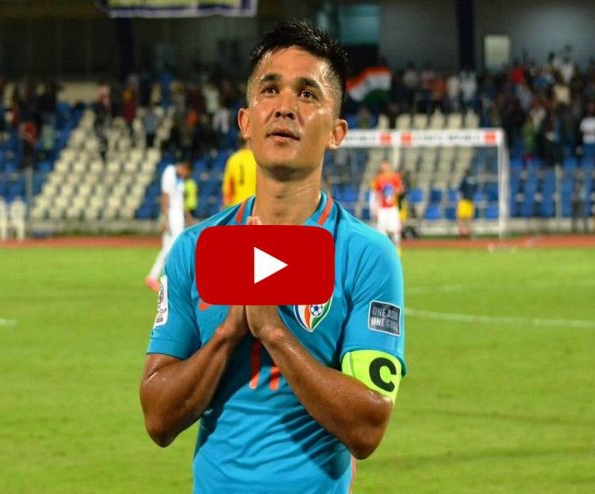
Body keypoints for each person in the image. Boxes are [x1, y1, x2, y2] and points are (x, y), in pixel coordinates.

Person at [140, 21, 406, 493]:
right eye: (270, 89)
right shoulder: (195, 249)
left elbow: (368, 426)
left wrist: (274, 332)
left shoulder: (367, 255)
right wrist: (227, 334)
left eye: (307, 94)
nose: (285, 106)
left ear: (337, 132)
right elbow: (157, 419)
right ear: (246, 121)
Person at [145, 160, 192, 292]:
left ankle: (156, 277)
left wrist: (189, 219)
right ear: (184, 168)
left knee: (168, 247)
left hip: (177, 216)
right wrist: (165, 219)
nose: (186, 177)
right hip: (171, 216)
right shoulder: (170, 172)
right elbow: (165, 196)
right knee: (173, 247)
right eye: (187, 174)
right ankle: (156, 277)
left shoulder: (180, 179)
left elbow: (181, 202)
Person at [371, 160, 404, 252]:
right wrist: (375, 208)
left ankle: (397, 249)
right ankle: (384, 251)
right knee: (382, 232)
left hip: (392, 208)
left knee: (395, 230)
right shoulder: (378, 179)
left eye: (385, 165)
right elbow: (376, 194)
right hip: (382, 209)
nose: (384, 167)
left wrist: (392, 191)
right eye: (382, 165)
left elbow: (401, 189)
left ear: (388, 166)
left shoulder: (394, 177)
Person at [221, 136, 257, 206]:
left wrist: (228, 208)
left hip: (238, 206)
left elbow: (227, 189)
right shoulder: (258, 159)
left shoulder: (232, 159)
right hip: (255, 205)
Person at [457, 166, 476, 238]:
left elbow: (460, 190)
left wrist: (459, 199)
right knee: (469, 218)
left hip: (464, 200)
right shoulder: (473, 180)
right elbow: (475, 189)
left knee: (461, 217)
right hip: (471, 200)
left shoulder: (464, 179)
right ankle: (469, 232)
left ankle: (461, 232)